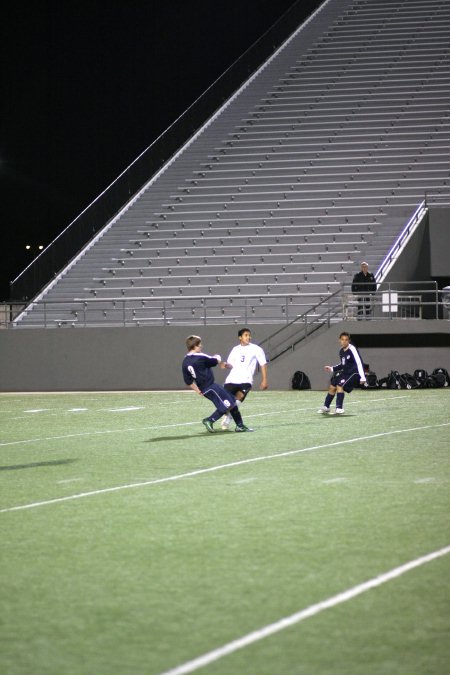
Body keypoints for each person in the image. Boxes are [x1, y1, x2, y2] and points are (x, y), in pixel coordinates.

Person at [182, 335, 253, 432]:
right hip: (210, 386)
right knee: (226, 405)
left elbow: (188, 381)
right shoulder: (200, 356)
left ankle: (240, 425)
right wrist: (217, 356)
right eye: (199, 345)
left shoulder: (185, 361)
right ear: (194, 346)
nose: (201, 346)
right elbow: (215, 361)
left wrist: (198, 391)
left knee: (232, 400)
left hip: (205, 388)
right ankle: (209, 420)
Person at [219, 327, 268, 430]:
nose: (248, 337)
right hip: (231, 380)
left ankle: (228, 418)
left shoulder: (256, 349)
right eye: (246, 335)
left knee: (239, 399)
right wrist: (226, 365)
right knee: (227, 402)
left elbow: (263, 364)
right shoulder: (235, 349)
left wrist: (264, 379)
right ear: (240, 337)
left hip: (246, 380)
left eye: (249, 335)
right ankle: (225, 417)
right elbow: (230, 364)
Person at [318, 331, 366, 415]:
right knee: (332, 386)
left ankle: (339, 408)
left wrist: (362, 377)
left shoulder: (352, 349)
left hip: (354, 373)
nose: (344, 341)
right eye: (342, 340)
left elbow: (359, 362)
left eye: (346, 340)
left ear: (349, 341)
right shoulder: (341, 351)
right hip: (346, 373)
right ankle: (326, 407)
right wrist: (332, 368)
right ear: (339, 340)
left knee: (339, 386)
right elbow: (343, 364)